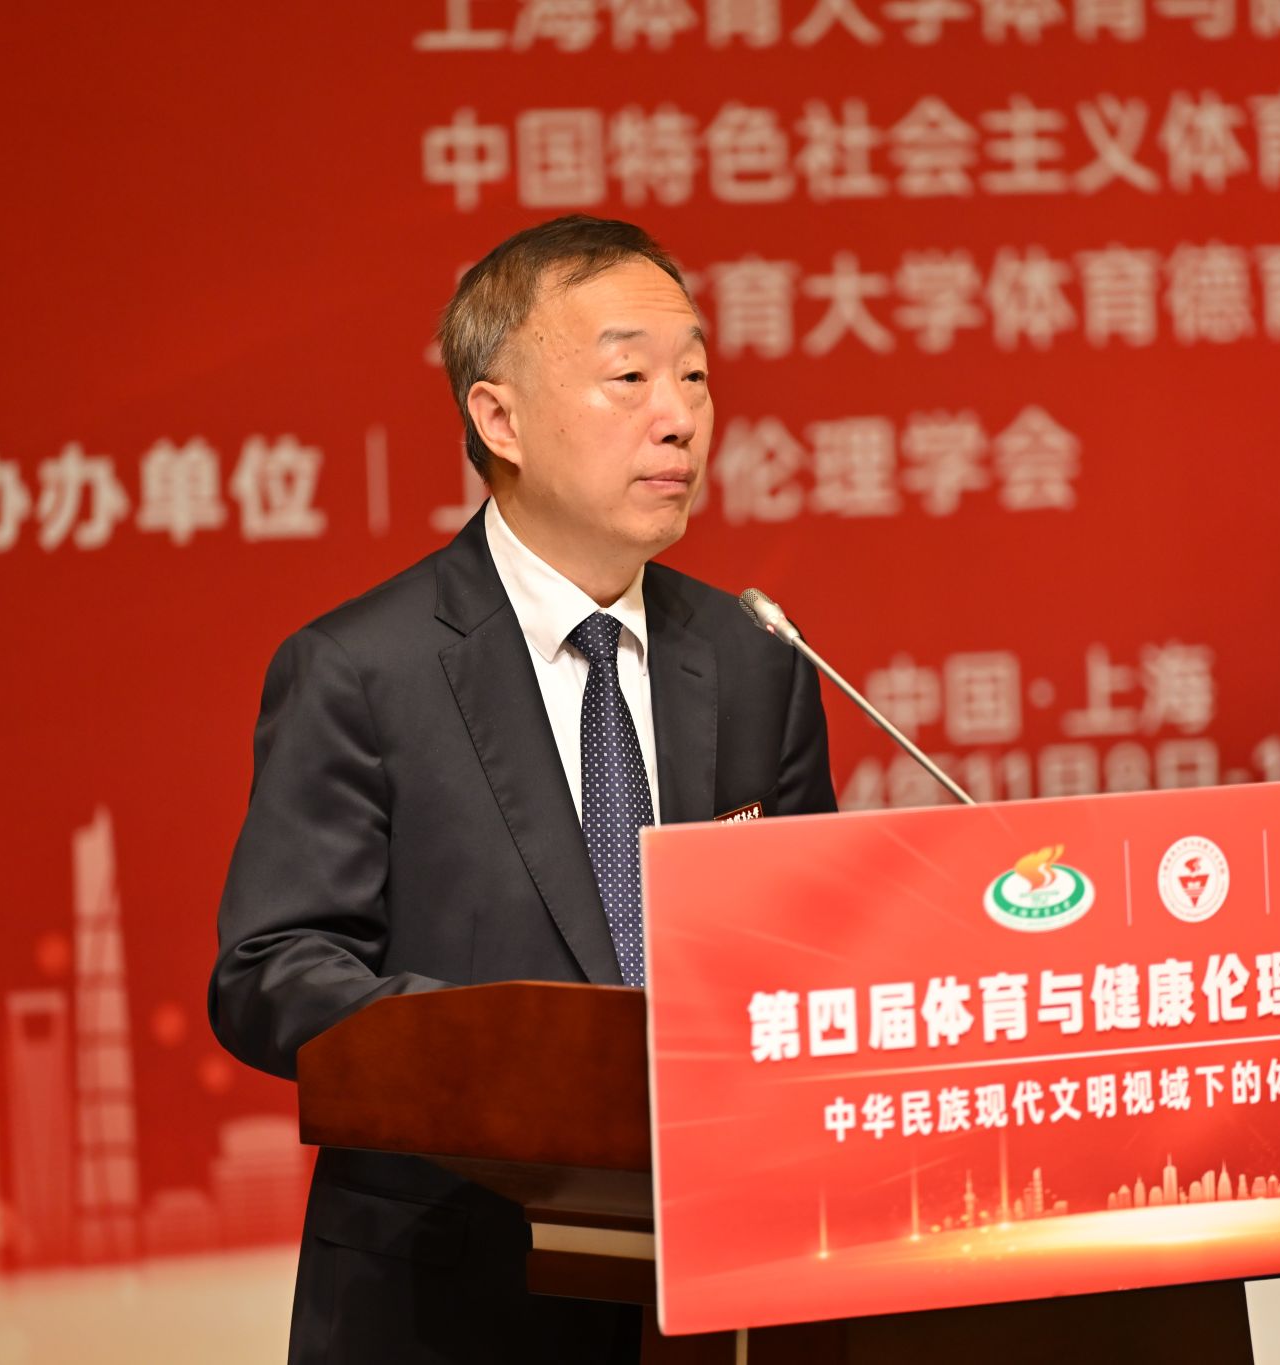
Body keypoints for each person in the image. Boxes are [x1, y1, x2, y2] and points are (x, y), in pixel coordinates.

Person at [208, 215, 838, 1364]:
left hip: (713, 1291)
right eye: (629, 377)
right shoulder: (361, 670)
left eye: (694, 377)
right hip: (453, 1292)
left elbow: (804, 957)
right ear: (497, 420)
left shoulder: (752, 661)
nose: (677, 417)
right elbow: (270, 973)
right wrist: (502, 1057)